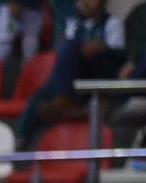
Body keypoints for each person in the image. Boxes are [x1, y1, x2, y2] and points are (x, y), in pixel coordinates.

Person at [16, 0, 128, 146]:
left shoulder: (112, 23)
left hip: (98, 72)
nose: (85, 3)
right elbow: (67, 51)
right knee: (41, 94)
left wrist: (101, 48)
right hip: (75, 74)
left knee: (56, 80)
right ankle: (21, 139)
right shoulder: (74, 23)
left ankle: (63, 101)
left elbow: (119, 55)